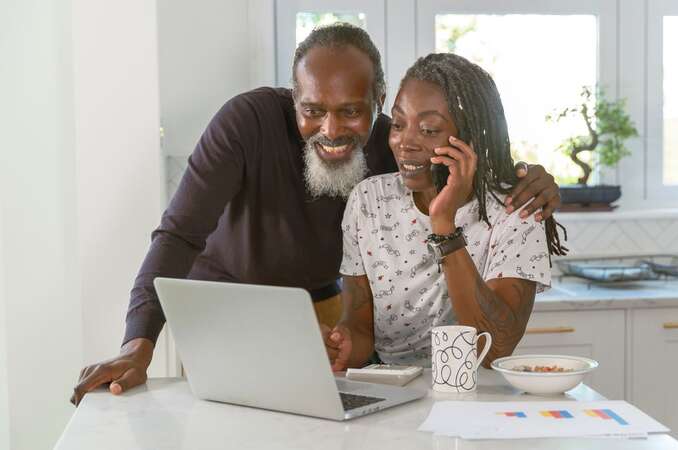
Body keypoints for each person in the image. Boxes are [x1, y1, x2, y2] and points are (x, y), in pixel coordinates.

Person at [70, 23, 563, 405]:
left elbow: (465, 154)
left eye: (351, 111)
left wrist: (529, 179)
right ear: (293, 98)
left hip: (320, 310)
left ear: (378, 104)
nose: (330, 129)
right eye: (312, 109)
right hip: (227, 305)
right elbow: (177, 235)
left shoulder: (398, 145)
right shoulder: (246, 123)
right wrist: (138, 343)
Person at [326, 53, 567, 370]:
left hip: (479, 394)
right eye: (398, 123)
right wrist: (340, 345)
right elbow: (360, 329)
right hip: (394, 390)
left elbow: (495, 348)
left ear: (470, 137)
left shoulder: (516, 209)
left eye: (428, 129)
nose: (405, 142)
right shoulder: (369, 200)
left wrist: (444, 225)